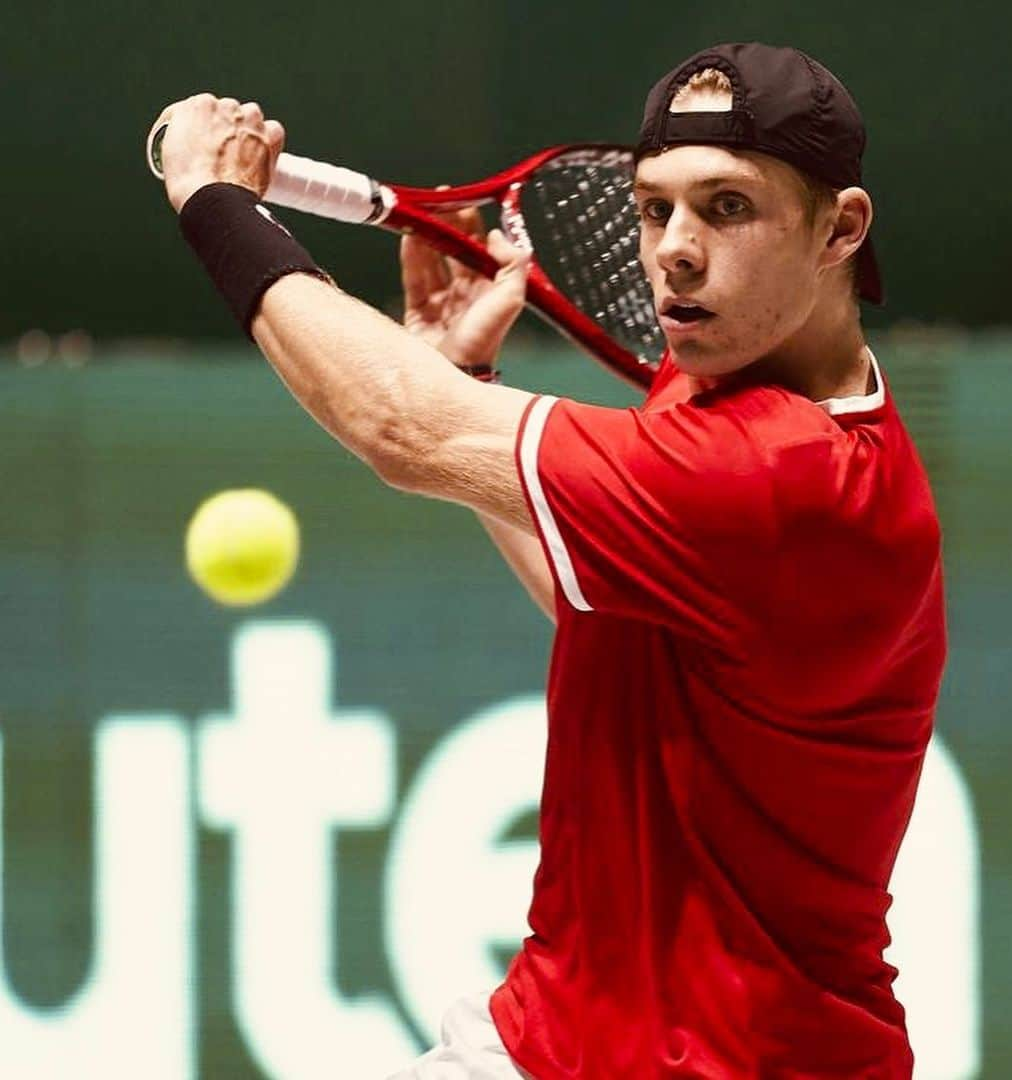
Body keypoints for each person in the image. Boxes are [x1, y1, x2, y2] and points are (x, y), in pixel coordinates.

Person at [155, 41, 945, 1080]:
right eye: (656, 208)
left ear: (840, 227)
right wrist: (470, 371)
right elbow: (614, 616)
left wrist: (216, 201)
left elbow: (401, 427)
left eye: (728, 208)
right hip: (556, 1035)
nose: (676, 249)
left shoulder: (781, 475)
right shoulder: (734, 378)